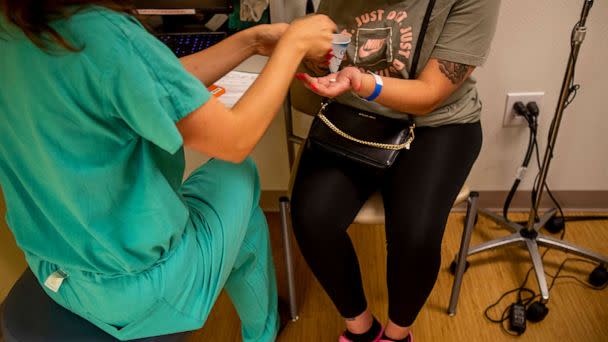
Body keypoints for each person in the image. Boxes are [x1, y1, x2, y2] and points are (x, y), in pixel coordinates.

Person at [0, 1, 335, 341]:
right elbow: (235, 141)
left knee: (238, 217)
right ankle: (261, 332)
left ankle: (262, 325)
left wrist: (251, 41)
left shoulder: (16, 24)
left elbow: (144, 78)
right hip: (139, 291)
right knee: (239, 175)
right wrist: (294, 45)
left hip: (55, 272)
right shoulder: (100, 32)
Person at [289, 0, 500, 341]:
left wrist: (361, 81)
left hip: (437, 123)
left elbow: (430, 94)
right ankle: (361, 329)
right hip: (354, 114)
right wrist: (315, 58)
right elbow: (324, 50)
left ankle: (397, 335)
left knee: (416, 235)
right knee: (312, 217)